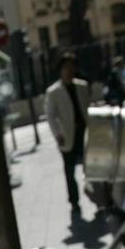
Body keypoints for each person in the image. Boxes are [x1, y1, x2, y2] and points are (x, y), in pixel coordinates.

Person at [44, 50, 94, 220]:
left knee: (92, 167)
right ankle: (74, 201)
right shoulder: (54, 92)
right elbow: (50, 115)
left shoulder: (82, 86)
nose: (69, 70)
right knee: (69, 171)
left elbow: (89, 108)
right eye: (66, 67)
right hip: (67, 135)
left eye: (72, 67)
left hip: (84, 132)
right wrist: (57, 133)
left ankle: (97, 196)